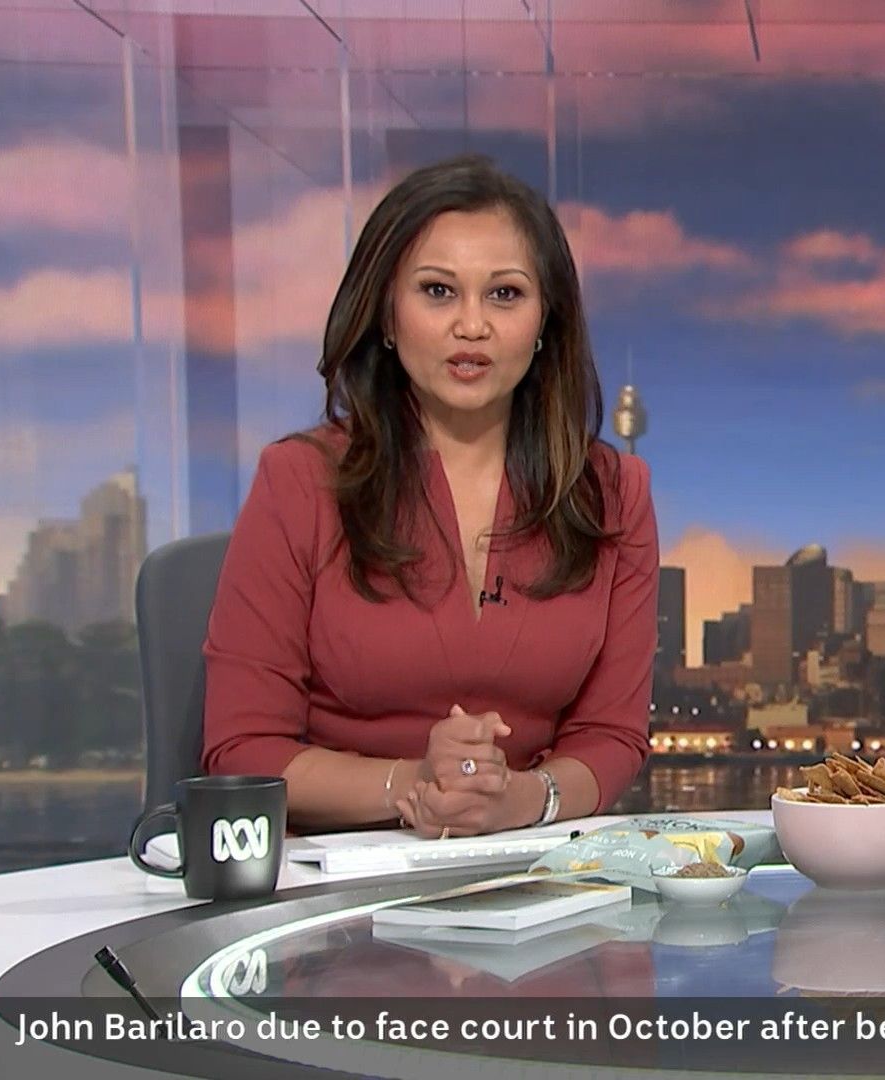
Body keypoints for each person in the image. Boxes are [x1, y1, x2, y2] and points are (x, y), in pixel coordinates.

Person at [202, 154, 657, 839]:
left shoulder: (614, 493)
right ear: (387, 314)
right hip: (339, 871)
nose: (471, 325)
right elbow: (242, 750)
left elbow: (612, 736)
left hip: (530, 863)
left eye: (504, 294)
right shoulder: (299, 481)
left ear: (545, 321)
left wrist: (524, 799)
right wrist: (413, 783)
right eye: (438, 291)